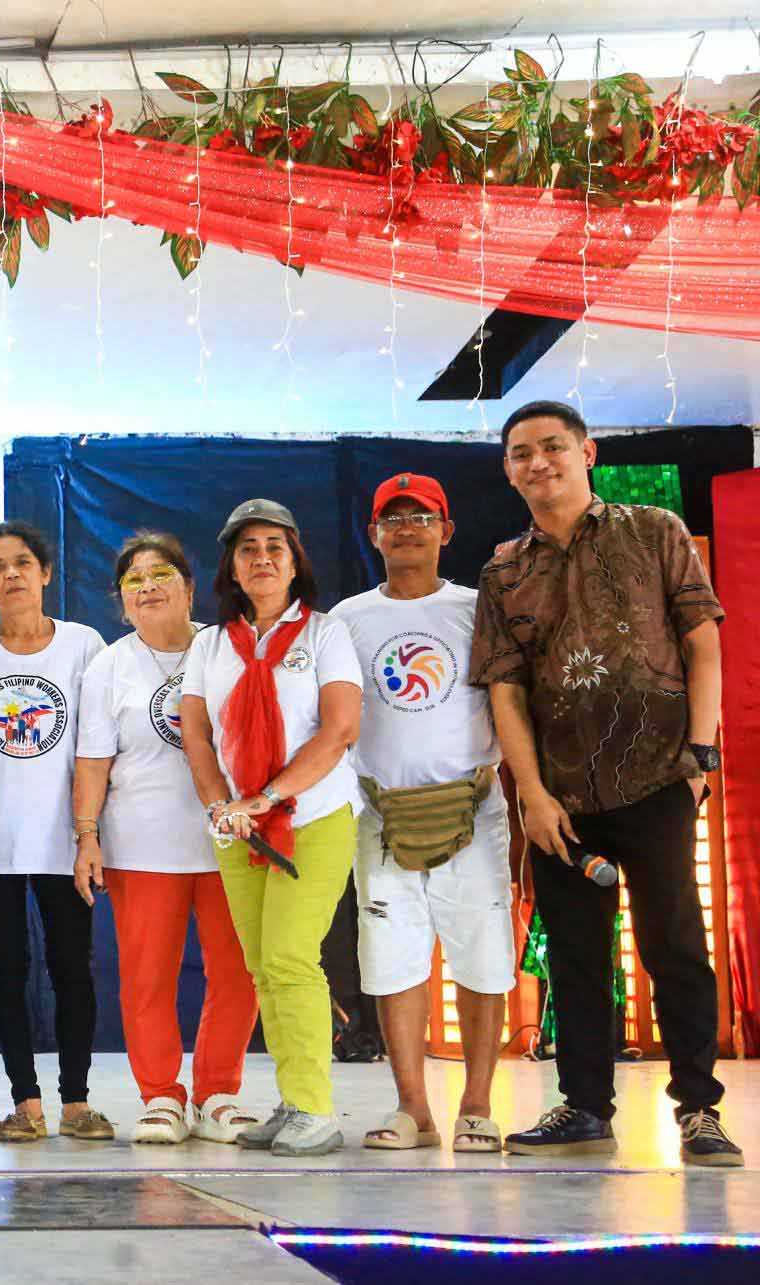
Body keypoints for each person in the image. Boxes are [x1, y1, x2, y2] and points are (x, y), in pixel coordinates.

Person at [470, 401, 740, 1166]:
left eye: (552, 446)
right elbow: (505, 691)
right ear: (508, 470)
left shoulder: (654, 531)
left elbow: (703, 644)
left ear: (586, 452)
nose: (538, 462)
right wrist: (531, 794)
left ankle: (699, 1109)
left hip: (659, 778)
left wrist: (700, 757)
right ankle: (585, 1106)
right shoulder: (503, 570)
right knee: (576, 957)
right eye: (521, 452)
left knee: (675, 947)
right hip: (561, 797)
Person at [328, 474, 515, 1155]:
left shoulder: (477, 608)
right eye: (393, 518)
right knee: (391, 959)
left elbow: (510, 702)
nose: (407, 528)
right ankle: (413, 1107)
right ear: (374, 534)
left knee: (484, 955)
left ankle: (477, 1105)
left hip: (473, 806)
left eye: (422, 517)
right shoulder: (346, 619)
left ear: (447, 530)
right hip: (381, 814)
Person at [180, 499, 362, 1157]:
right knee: (263, 966)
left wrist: (268, 797)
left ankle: (316, 1108)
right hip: (237, 827)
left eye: (274, 547)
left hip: (312, 818)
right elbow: (195, 735)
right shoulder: (210, 644)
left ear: (294, 561)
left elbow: (340, 729)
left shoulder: (324, 634)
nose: (261, 558)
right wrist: (220, 805)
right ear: (231, 565)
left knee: (289, 957)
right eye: (248, 548)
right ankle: (294, 1101)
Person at [74, 531, 260, 1146]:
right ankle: (160, 1097)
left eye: (161, 574)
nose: (148, 586)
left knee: (237, 973)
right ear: (122, 600)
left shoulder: (228, 648)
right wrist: (87, 836)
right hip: (141, 847)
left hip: (229, 841)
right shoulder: (109, 666)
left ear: (189, 587)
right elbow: (92, 762)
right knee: (147, 978)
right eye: (134, 579)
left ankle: (218, 1094)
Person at [0, 521, 112, 1143]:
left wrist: (89, 833)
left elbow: (99, 745)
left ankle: (76, 1102)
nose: (12, 575)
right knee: (6, 967)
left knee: (72, 966)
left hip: (65, 840)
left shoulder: (84, 645)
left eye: (23, 562)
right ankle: (25, 1103)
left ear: (46, 572)